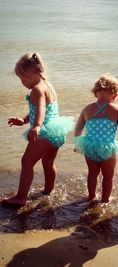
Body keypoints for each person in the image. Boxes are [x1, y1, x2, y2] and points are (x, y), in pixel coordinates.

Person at [2, 52, 74, 208]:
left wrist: (36, 126)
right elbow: (40, 109)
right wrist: (24, 120)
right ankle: (49, 189)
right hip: (57, 131)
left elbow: (40, 108)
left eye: (21, 78)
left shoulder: (36, 90)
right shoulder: (48, 84)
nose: (22, 82)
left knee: (26, 161)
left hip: (45, 133)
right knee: (48, 163)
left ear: (28, 75)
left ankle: (21, 197)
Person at [74, 73, 118, 203]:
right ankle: (105, 200)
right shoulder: (117, 109)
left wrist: (77, 144)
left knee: (92, 174)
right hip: (108, 149)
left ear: (95, 93)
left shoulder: (87, 109)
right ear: (114, 94)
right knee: (108, 176)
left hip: (90, 147)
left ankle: (91, 197)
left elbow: (78, 128)